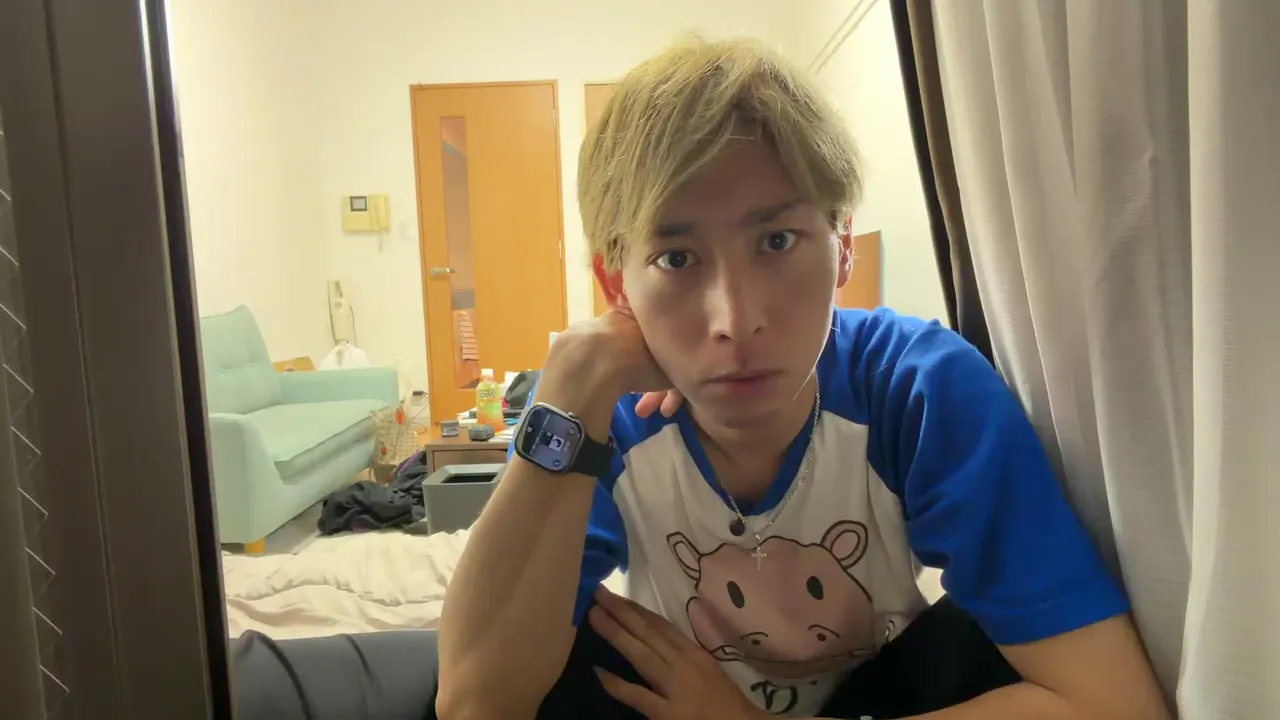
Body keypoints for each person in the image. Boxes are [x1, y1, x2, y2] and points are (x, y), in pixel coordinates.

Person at [432, 36, 1170, 720]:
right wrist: (567, 394)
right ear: (616, 282)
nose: (735, 319)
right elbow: (473, 702)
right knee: (568, 643)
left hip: (881, 697)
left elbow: (1116, 705)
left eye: (777, 240)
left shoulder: (917, 389)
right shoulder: (612, 422)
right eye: (677, 259)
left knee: (981, 641)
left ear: (842, 245)